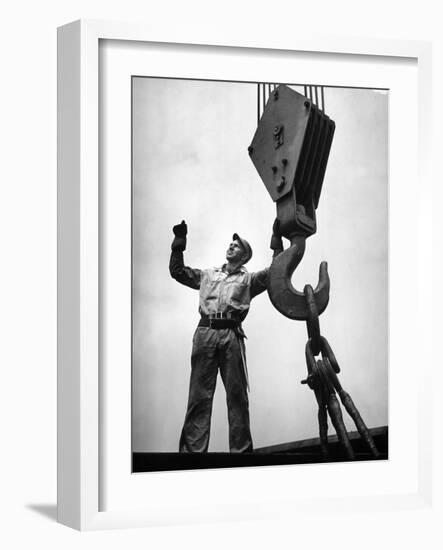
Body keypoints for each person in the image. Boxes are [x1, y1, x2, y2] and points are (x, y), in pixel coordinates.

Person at [169, 219, 283, 453]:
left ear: (245, 256)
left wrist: (276, 241)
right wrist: (178, 244)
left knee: (237, 395)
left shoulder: (249, 280)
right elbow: (178, 272)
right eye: (230, 244)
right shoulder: (208, 274)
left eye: (237, 246)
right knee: (199, 395)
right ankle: (192, 454)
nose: (231, 247)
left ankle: (241, 452)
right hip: (205, 333)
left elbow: (276, 272)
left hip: (231, 335)